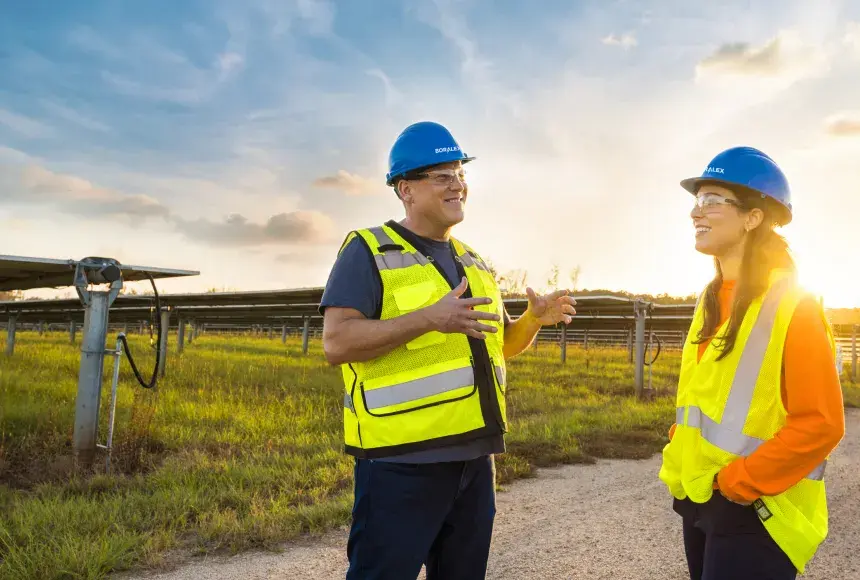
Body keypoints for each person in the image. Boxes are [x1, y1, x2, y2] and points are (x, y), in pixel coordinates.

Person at [319, 120, 576, 580]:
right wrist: (428, 319)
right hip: (401, 463)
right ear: (406, 190)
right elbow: (337, 343)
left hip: (474, 461)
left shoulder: (474, 262)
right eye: (441, 176)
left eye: (460, 174)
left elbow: (502, 347)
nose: (457, 184)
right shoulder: (368, 249)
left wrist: (535, 319)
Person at [658, 146, 846, 580]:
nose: (695, 212)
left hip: (759, 510)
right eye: (695, 200)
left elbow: (821, 423)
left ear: (753, 218)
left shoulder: (792, 306)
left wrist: (739, 482)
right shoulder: (710, 298)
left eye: (711, 200)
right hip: (705, 499)